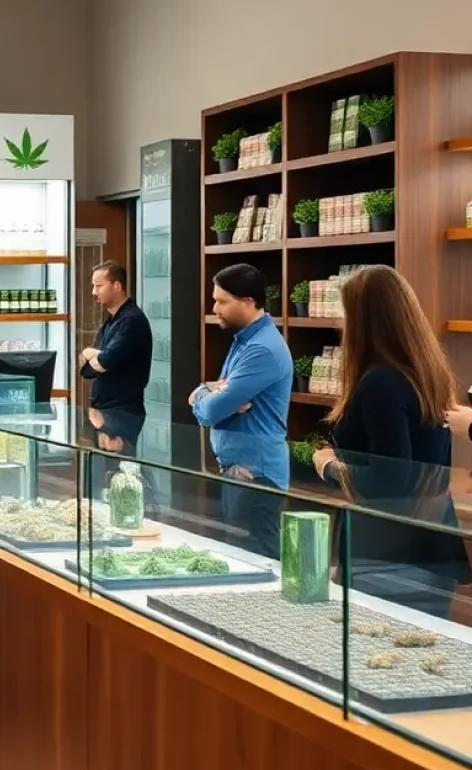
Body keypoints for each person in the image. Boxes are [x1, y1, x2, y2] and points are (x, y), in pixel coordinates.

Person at [312, 265, 468, 617]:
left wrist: (329, 466)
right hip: (430, 543)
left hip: (386, 551)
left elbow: (392, 478)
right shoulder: (430, 374)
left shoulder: (380, 382)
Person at [190, 263, 292, 558]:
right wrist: (208, 393)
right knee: (240, 556)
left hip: (255, 475)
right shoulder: (244, 341)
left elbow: (210, 412)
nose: (215, 308)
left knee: (257, 560)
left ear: (248, 302)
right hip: (238, 471)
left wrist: (206, 396)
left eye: (222, 301)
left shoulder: (262, 349)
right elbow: (214, 396)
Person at [79, 260, 152, 445]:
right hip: (103, 412)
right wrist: (94, 357)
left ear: (117, 286)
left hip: (122, 413)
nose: (94, 292)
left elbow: (103, 361)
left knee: (120, 470)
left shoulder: (131, 321)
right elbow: (86, 368)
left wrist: (94, 355)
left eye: (99, 286)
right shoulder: (111, 321)